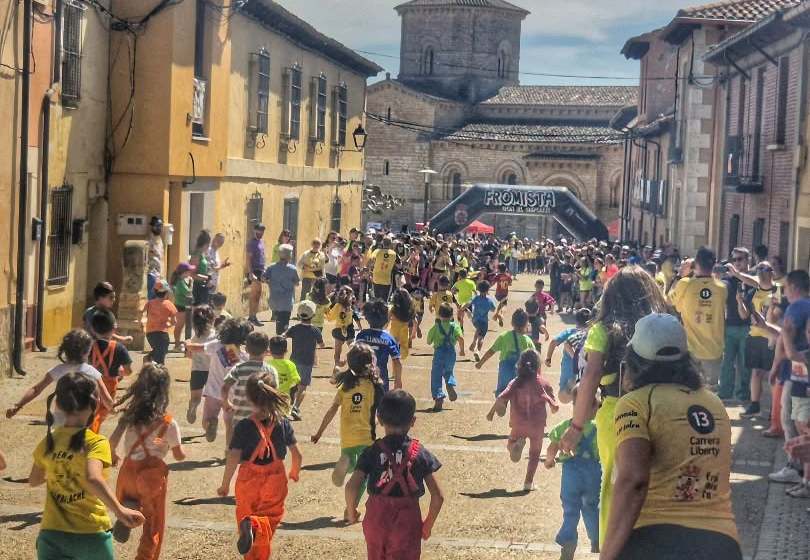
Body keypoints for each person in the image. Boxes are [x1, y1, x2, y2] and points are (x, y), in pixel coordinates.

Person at [601, 313, 741, 560]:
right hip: (722, 544)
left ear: (633, 360)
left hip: (656, 540)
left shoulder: (636, 403)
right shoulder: (714, 404)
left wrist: (607, 555)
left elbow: (633, 480)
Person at [559, 266, 667, 547]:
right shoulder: (663, 325)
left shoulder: (602, 330)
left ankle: (613, 545)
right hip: (660, 409)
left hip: (617, 411)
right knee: (654, 481)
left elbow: (590, 377)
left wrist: (576, 426)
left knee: (615, 483)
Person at [30, 373, 144, 560]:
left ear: (57, 404)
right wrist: (120, 510)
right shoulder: (96, 443)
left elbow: (34, 480)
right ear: (96, 404)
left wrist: (60, 467)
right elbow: (92, 478)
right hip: (91, 535)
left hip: (52, 535)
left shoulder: (49, 441)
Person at [345, 389, 444, 560]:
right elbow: (438, 496)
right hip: (407, 521)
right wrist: (428, 524)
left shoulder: (372, 451)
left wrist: (351, 510)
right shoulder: (420, 453)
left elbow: (351, 486)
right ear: (412, 421)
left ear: (379, 418)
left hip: (376, 519)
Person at [217, 371, 301, 560]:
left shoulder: (243, 426)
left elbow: (233, 457)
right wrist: (294, 470)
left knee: (245, 515)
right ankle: (254, 526)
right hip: (275, 479)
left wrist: (225, 484)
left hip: (248, 479)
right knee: (270, 519)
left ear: (249, 398)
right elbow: (297, 454)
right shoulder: (283, 423)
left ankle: (251, 527)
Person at [108, 364, 186, 559]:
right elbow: (179, 455)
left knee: (132, 499)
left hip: (128, 473)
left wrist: (114, 455)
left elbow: (112, 441)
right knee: (153, 524)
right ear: (164, 391)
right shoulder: (168, 423)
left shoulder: (129, 416)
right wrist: (169, 446)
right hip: (151, 477)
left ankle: (130, 510)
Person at [312, 344, 385, 517]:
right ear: (371, 363)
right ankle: (350, 509)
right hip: (366, 437)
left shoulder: (345, 386)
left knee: (352, 461)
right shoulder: (374, 386)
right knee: (363, 475)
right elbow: (381, 412)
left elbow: (332, 410)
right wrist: (380, 421)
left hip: (347, 436)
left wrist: (319, 432)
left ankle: (348, 463)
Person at [486, 350, 558, 491]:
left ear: (519, 365)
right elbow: (554, 406)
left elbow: (501, 397)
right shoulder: (544, 383)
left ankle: (514, 446)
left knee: (511, 443)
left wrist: (491, 413)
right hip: (537, 425)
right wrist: (553, 406)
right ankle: (528, 482)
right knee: (534, 454)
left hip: (519, 422)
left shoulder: (515, 382)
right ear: (538, 366)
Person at [6, 329, 114, 421]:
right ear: (88, 351)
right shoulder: (91, 372)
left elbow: (36, 389)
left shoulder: (59, 370)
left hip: (61, 420)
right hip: (85, 420)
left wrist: (18, 405)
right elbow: (107, 399)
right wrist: (113, 409)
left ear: (65, 350)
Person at [545, 385, 601, 560]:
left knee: (570, 508)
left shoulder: (565, 426)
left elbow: (552, 448)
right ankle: (596, 539)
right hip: (593, 474)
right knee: (591, 506)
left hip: (571, 474)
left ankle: (568, 538)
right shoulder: (599, 428)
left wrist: (549, 461)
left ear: (574, 404)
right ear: (596, 407)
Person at [668, 247, 727, 389]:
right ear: (714, 264)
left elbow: (670, 301)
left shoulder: (685, 284)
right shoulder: (722, 288)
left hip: (691, 351)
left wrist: (680, 275)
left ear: (696, 263)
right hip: (714, 350)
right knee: (710, 393)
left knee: (689, 391)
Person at [189, 318, 251, 444]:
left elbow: (196, 348)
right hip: (232, 395)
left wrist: (187, 343)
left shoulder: (216, 345)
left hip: (213, 392)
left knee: (206, 419)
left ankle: (210, 424)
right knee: (230, 426)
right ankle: (229, 449)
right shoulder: (244, 356)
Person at [737, 261, 778, 417]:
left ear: (771, 272)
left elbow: (778, 316)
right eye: (758, 269)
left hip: (771, 337)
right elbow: (744, 315)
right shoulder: (753, 292)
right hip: (754, 336)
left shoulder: (778, 290)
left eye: (764, 269)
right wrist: (739, 302)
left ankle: (775, 409)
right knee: (756, 373)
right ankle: (755, 406)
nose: (760, 272)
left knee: (772, 375)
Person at [223, 332, 279, 431]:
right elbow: (275, 392)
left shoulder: (239, 368)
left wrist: (226, 402)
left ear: (246, 349)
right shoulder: (271, 371)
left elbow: (225, 387)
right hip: (263, 420)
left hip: (240, 420)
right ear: (267, 350)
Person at [89, 311, 133, 433]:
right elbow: (128, 371)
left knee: (90, 409)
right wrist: (121, 372)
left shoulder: (88, 345)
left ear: (92, 329)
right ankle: (91, 435)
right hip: (109, 384)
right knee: (101, 412)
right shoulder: (120, 348)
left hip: (90, 382)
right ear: (114, 327)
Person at [718, 247, 754, 401]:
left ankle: (743, 394)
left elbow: (759, 285)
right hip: (730, 326)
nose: (736, 263)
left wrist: (738, 275)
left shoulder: (753, 278)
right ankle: (725, 392)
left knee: (745, 364)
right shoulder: (727, 281)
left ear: (748, 260)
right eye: (734, 260)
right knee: (727, 362)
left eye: (740, 259)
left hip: (748, 327)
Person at [475, 309, 536, 396]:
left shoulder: (504, 336)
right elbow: (535, 358)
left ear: (512, 323)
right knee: (518, 396)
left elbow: (491, 351)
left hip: (505, 371)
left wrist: (480, 363)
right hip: (520, 372)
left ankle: (501, 403)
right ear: (527, 324)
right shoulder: (528, 340)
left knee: (502, 394)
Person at [285, 301, 325, 419]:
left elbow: (284, 335)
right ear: (313, 315)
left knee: (292, 384)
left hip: (294, 360)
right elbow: (322, 344)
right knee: (303, 386)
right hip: (307, 362)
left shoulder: (294, 328)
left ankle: (289, 405)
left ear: (298, 315)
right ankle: (296, 407)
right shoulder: (315, 330)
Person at [355, 300, 403, 391]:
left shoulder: (362, 336)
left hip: (363, 379)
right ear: (386, 319)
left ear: (367, 318)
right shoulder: (389, 339)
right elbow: (397, 362)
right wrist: (398, 380)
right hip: (381, 380)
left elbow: (354, 356)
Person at [546, 308, 591, 403]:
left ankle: (571, 388)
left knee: (563, 397)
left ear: (576, 320)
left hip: (568, 370)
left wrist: (548, 358)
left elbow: (553, 342)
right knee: (581, 398)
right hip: (584, 370)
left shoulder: (570, 332)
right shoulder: (590, 335)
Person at [427, 303, 465, 412]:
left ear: (439, 315)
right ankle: (449, 383)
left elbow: (428, 341)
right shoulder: (455, 326)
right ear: (452, 315)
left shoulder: (436, 327)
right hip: (451, 353)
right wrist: (462, 350)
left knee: (436, 374)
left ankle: (438, 397)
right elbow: (461, 338)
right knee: (448, 371)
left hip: (439, 353)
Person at [186, 305, 217, 424]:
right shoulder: (215, 336)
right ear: (212, 319)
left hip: (197, 371)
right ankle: (210, 421)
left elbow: (189, 355)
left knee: (195, 398)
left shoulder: (195, 337)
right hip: (212, 371)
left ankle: (193, 405)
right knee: (211, 399)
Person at [263, 243, 300, 335]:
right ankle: (281, 339)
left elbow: (263, 278)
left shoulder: (271, 267)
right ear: (289, 255)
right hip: (286, 302)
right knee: (284, 324)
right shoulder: (292, 269)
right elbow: (297, 283)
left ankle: (278, 337)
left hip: (274, 301)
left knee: (279, 321)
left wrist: (271, 283)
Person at [142, 280, 178, 365]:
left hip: (150, 333)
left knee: (159, 350)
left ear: (155, 291)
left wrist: (141, 323)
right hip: (162, 333)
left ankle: (149, 358)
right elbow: (174, 322)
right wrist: (167, 324)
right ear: (166, 293)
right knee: (161, 353)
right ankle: (159, 367)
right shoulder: (169, 304)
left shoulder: (150, 303)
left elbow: (141, 311)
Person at [327, 286, 361, 367]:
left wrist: (326, 310)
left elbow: (330, 318)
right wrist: (359, 326)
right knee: (352, 347)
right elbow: (355, 316)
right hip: (349, 329)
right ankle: (349, 360)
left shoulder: (338, 305)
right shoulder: (349, 306)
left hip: (339, 330)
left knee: (337, 350)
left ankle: (337, 365)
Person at [265, 336, 301, 407]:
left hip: (270, 399)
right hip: (284, 399)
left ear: (270, 351)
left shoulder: (267, 364)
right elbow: (297, 380)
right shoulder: (290, 364)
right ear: (286, 351)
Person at [170, 262, 195, 350]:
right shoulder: (180, 282)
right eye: (189, 271)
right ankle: (177, 345)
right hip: (181, 306)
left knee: (181, 326)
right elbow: (188, 293)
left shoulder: (182, 281)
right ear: (184, 272)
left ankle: (178, 344)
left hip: (182, 305)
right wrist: (192, 284)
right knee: (179, 326)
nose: (190, 273)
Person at [247, 224, 267, 326]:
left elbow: (262, 256)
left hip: (260, 270)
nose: (260, 233)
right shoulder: (252, 243)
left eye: (262, 231)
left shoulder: (261, 242)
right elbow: (248, 259)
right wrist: (250, 273)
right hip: (254, 271)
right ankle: (251, 317)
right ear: (254, 230)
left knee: (258, 294)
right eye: (259, 231)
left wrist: (265, 270)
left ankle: (253, 316)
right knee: (254, 295)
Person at [389, 288, 415, 361]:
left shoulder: (393, 308)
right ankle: (400, 357)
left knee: (394, 343)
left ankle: (395, 357)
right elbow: (415, 321)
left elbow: (387, 319)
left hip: (394, 329)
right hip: (404, 330)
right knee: (404, 346)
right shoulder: (410, 309)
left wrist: (383, 328)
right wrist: (414, 332)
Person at [188, 229, 212, 307]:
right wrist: (206, 278)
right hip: (198, 288)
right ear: (206, 244)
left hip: (204, 288)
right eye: (209, 243)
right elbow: (192, 274)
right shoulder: (196, 255)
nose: (209, 246)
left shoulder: (202, 254)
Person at [370, 236, 398, 301]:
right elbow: (399, 265)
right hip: (387, 279)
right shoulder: (394, 254)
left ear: (382, 243)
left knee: (376, 300)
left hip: (376, 278)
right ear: (390, 244)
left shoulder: (376, 251)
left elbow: (371, 262)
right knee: (385, 301)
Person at [207, 232, 231, 297]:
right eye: (219, 241)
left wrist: (222, 265)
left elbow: (216, 267)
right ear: (214, 239)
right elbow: (210, 268)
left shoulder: (216, 252)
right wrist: (221, 266)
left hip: (214, 285)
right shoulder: (208, 250)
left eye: (222, 242)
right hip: (208, 285)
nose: (221, 244)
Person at [147, 217, 165, 300]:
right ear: (152, 227)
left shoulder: (159, 240)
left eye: (160, 226)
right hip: (152, 274)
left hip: (158, 275)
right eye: (157, 226)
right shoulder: (149, 241)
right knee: (151, 300)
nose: (159, 228)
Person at [491, 263, 512, 327]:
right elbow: (510, 284)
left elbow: (493, 282)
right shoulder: (508, 276)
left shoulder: (497, 276)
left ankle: (496, 314)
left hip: (498, 293)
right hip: (504, 293)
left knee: (501, 303)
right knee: (504, 305)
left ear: (499, 269)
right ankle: (501, 315)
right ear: (505, 269)